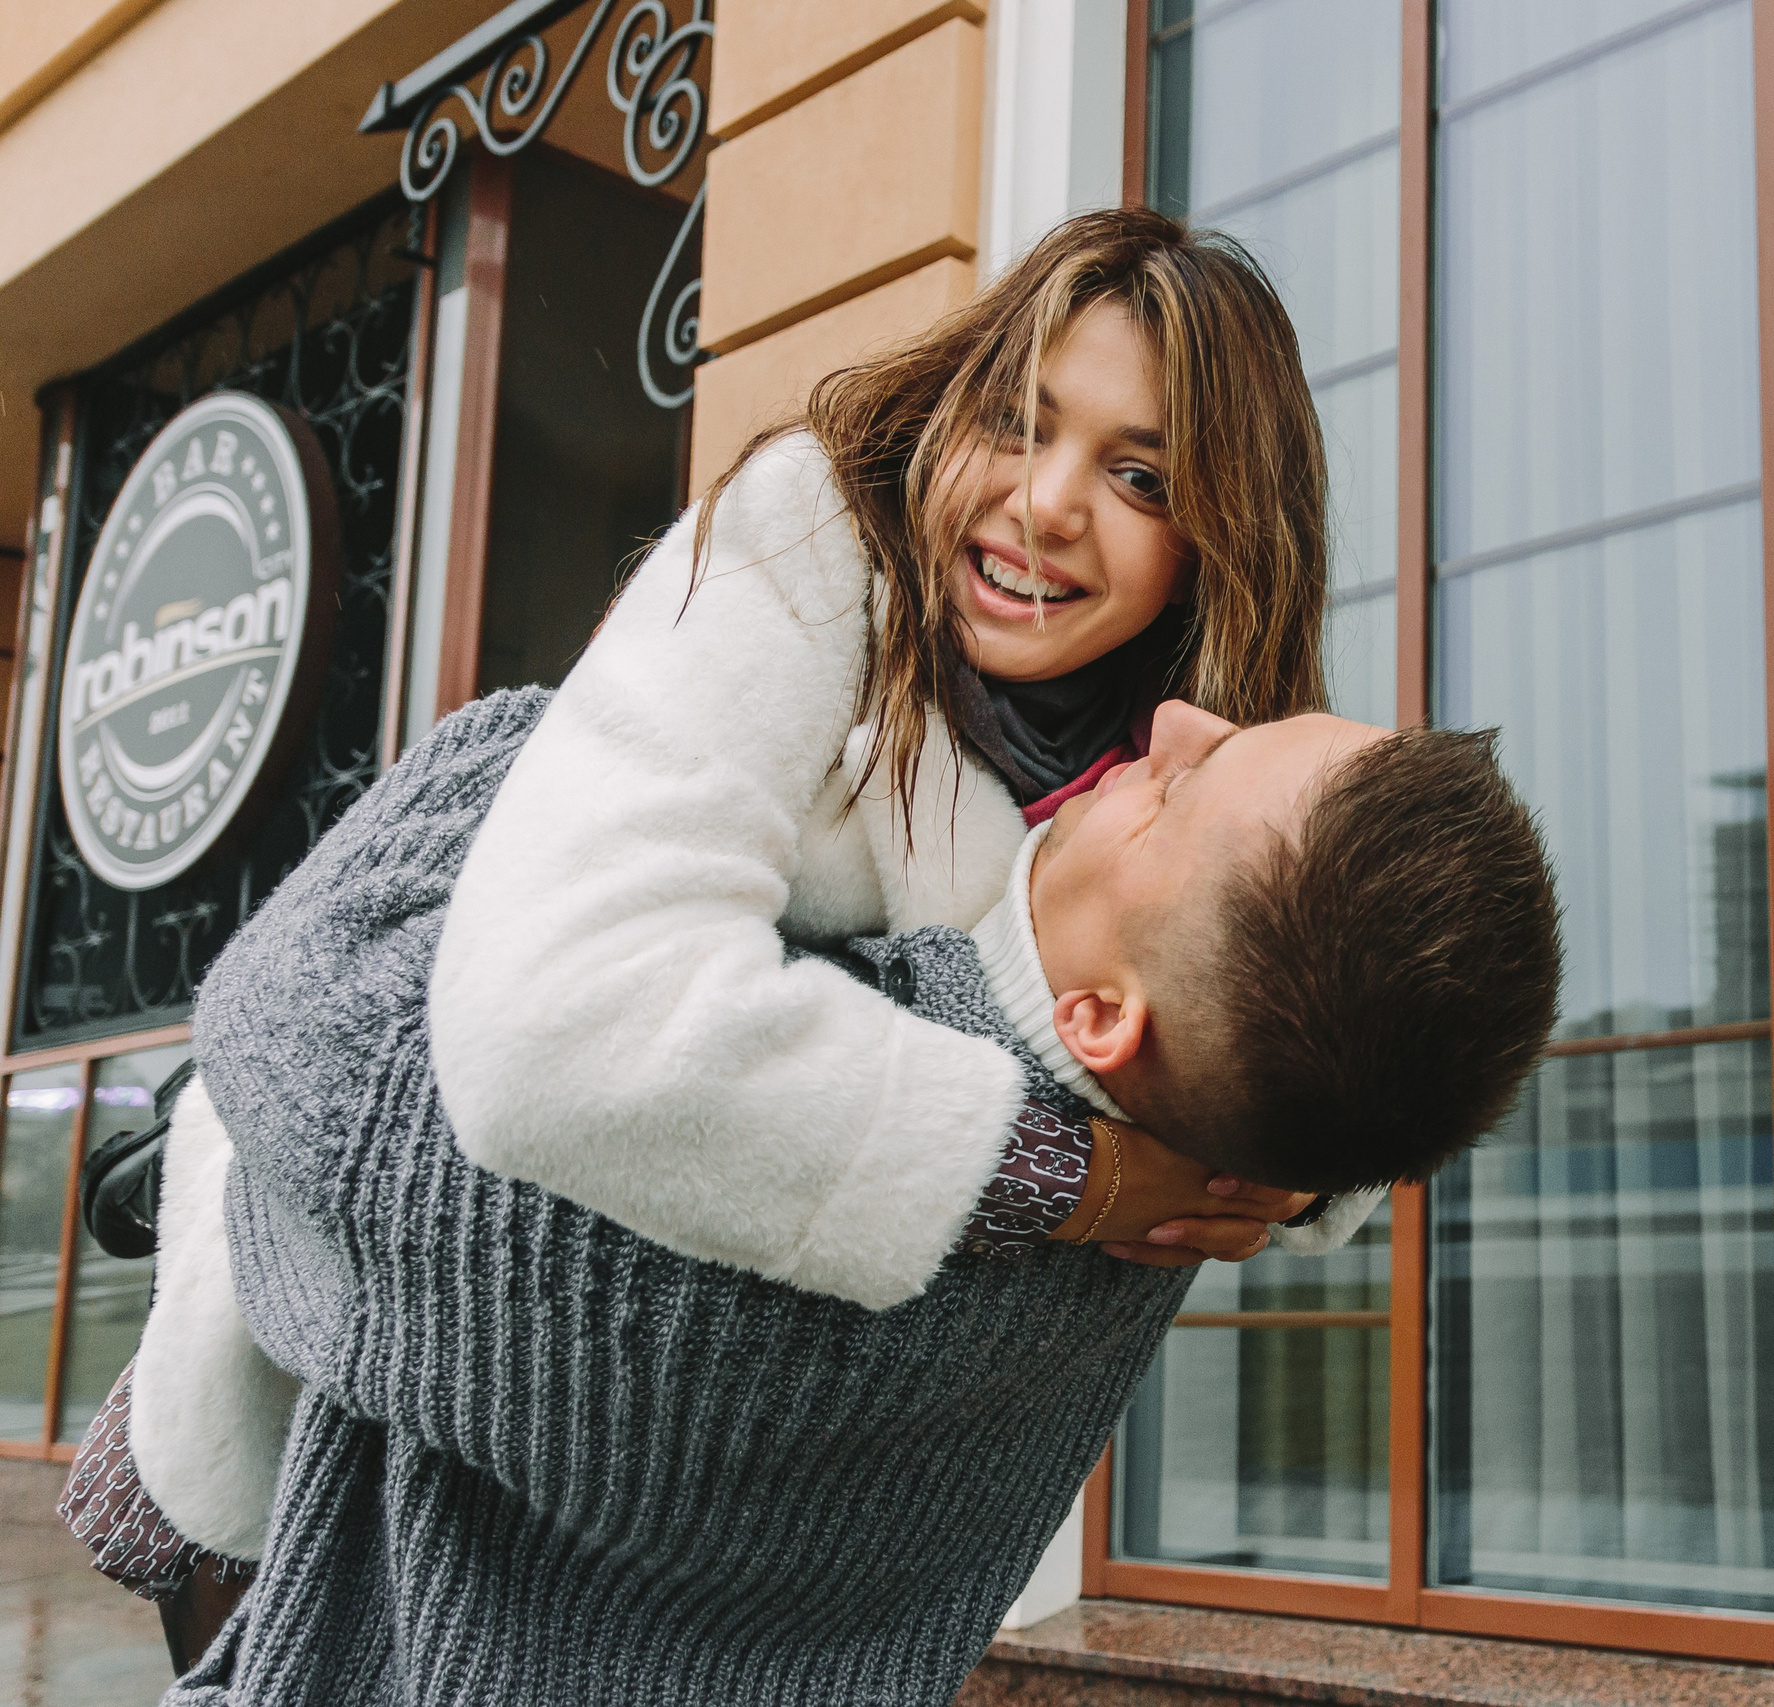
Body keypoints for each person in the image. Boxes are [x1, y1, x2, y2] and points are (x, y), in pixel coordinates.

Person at [61, 206, 1372, 1651]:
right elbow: (565, 1016)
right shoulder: (810, 537)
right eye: (1017, 419)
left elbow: (1337, 990)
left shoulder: (1180, 765)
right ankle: (195, 1152)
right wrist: (1067, 1170)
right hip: (373, 1208)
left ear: (1211, 543)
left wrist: (1288, 1176)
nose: (1048, 501)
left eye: (1138, 475)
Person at [172, 677, 1561, 1704]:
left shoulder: (741, 1138)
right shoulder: (1185, 1187)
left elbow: (296, 1018)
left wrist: (685, 683)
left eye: (1183, 789)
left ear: (1100, 1021)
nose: (1180, 719)